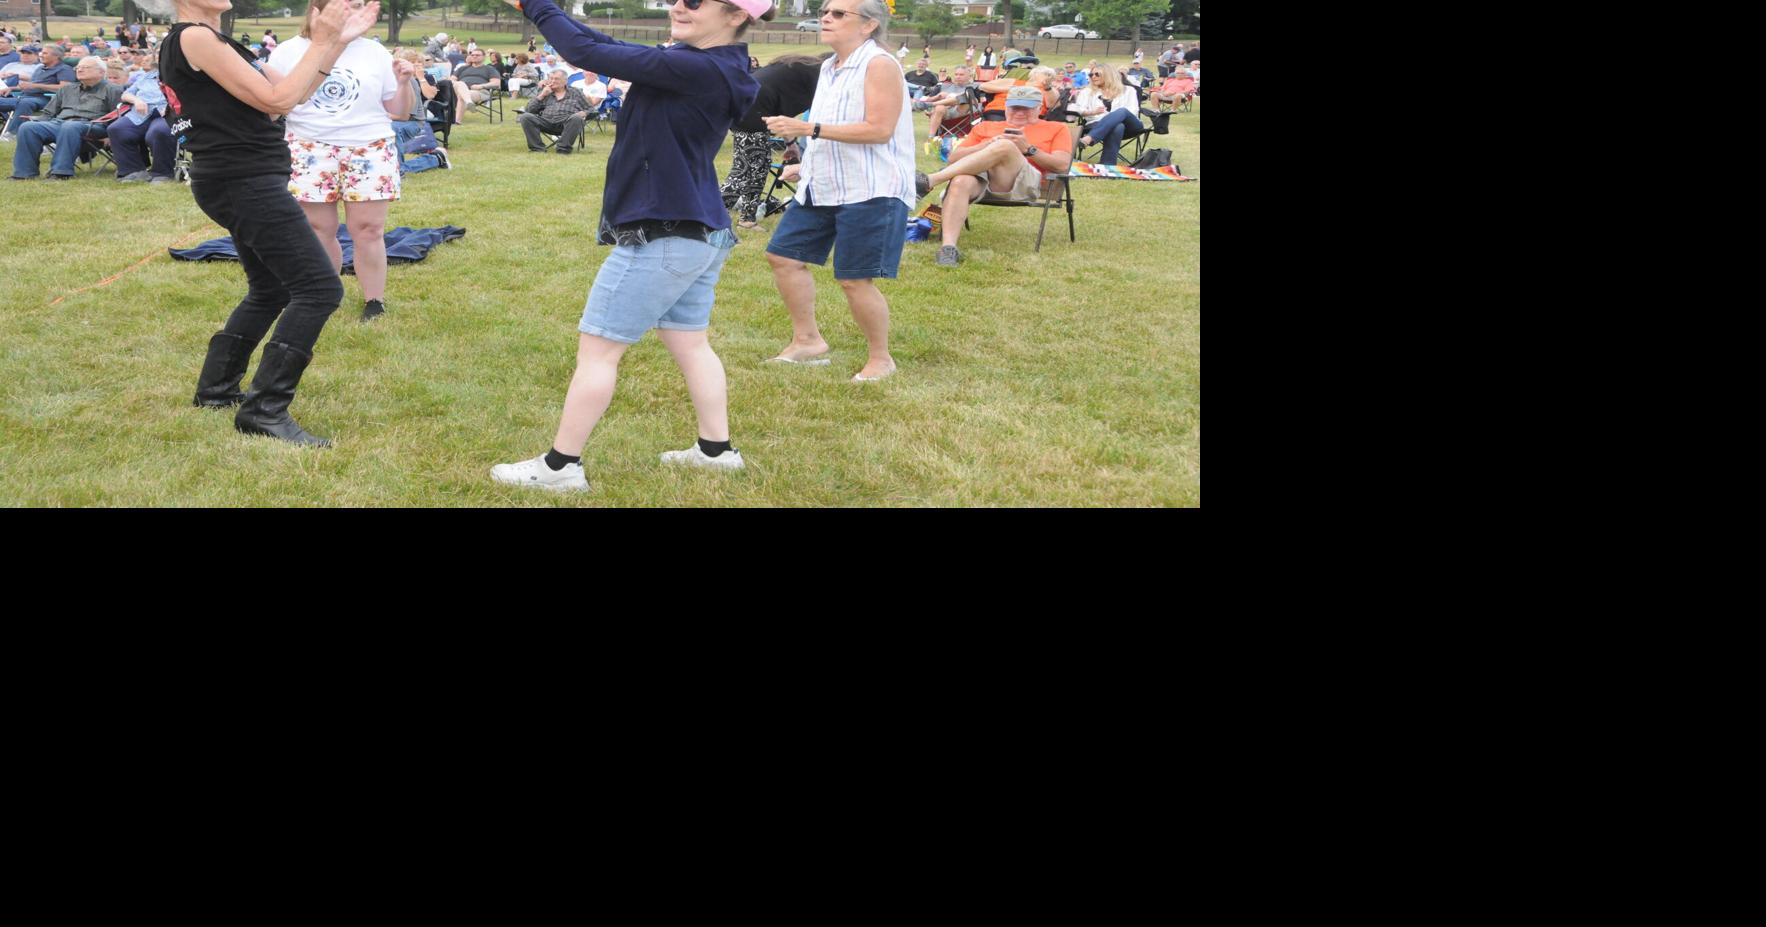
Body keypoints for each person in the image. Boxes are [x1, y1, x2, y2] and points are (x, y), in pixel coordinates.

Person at [489, 0, 770, 492]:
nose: (680, 6)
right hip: (700, 230)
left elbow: (584, 52)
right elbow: (604, 45)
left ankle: (560, 467)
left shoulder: (695, 68)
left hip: (665, 234)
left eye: (696, 1)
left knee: (598, 352)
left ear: (735, 17)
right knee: (691, 343)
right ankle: (716, 451)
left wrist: (537, 7)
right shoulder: (704, 63)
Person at [165, 0, 382, 447]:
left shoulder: (216, 41)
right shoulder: (194, 37)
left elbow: (294, 96)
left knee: (270, 288)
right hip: (242, 180)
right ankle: (264, 410)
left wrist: (336, 43)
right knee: (319, 289)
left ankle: (216, 388)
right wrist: (321, 39)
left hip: (240, 178)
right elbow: (277, 100)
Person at [762, 0, 914, 382]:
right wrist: (805, 163)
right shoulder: (830, 66)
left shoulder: (879, 64)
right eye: (825, 12)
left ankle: (881, 359)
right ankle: (807, 341)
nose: (826, 18)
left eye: (838, 14)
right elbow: (838, 122)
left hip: (870, 187)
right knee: (783, 257)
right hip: (823, 183)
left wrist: (807, 129)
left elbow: (879, 129)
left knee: (854, 278)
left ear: (869, 25)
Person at [268, 0, 413, 325]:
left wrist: (404, 83)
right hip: (309, 147)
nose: (353, 11)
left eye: (358, 5)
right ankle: (324, 297)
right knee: (319, 229)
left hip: (368, 147)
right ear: (318, 9)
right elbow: (276, 105)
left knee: (369, 230)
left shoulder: (375, 52)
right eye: (345, 4)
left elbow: (399, 112)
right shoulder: (288, 51)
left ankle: (374, 301)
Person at [912, 85, 1072, 267]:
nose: (1019, 112)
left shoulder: (1056, 128)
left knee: (1006, 145)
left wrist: (1028, 149)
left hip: (1025, 184)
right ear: (1006, 107)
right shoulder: (986, 127)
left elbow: (1062, 165)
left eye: (1026, 108)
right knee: (960, 181)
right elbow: (953, 159)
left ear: (1038, 108)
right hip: (983, 182)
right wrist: (986, 145)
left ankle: (931, 180)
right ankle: (948, 248)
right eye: (1015, 107)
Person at [721, 50, 820, 229]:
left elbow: (781, 112)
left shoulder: (801, 69)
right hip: (752, 109)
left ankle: (747, 220)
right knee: (744, 171)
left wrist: (790, 144)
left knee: (759, 167)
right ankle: (706, 218)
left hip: (749, 105)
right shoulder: (819, 74)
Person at [8, 57, 121, 181]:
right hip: (61, 123)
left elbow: (118, 116)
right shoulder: (67, 89)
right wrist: (36, 119)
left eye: (85, 67)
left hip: (93, 126)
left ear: (101, 72)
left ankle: (61, 172)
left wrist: (111, 136)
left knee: (70, 126)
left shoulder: (113, 89)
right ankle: (24, 173)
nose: (79, 70)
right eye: (78, 67)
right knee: (28, 127)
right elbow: (48, 113)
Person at [1071, 62, 1141, 165]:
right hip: (1097, 124)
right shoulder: (1087, 91)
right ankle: (1107, 165)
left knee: (1122, 111)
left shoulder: (1128, 90)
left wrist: (1112, 117)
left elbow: (1133, 111)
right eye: (1091, 74)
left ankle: (1089, 138)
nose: (1093, 77)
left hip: (1130, 125)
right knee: (1117, 126)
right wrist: (1092, 112)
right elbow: (1077, 109)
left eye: (1097, 74)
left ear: (1109, 75)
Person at [0, 44, 75, 139]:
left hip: (47, 99)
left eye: (45, 53)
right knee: (20, 101)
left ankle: (12, 134)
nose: (41, 55)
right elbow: (30, 86)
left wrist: (36, 86)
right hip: (24, 97)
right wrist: (11, 88)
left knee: (25, 103)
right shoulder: (40, 68)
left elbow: (65, 88)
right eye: (41, 53)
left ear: (56, 56)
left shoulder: (64, 69)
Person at [517, 68, 591, 153]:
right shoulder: (545, 91)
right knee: (525, 117)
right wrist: (542, 95)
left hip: (566, 123)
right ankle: (537, 148)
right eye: (551, 78)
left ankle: (563, 149)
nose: (553, 81)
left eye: (556, 79)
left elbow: (591, 109)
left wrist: (584, 113)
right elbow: (529, 110)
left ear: (565, 81)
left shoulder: (575, 92)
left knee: (576, 118)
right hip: (546, 122)